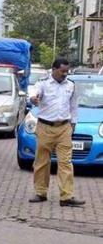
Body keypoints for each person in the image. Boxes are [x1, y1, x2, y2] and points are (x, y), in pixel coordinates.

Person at [28, 58, 85, 207]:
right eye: (62, 71)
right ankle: (40, 193)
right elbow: (35, 93)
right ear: (53, 70)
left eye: (67, 71)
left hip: (64, 128)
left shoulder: (71, 86)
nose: (65, 74)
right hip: (45, 127)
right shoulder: (43, 83)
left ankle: (66, 197)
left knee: (66, 162)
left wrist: (73, 124)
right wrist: (34, 99)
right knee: (42, 162)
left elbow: (73, 107)